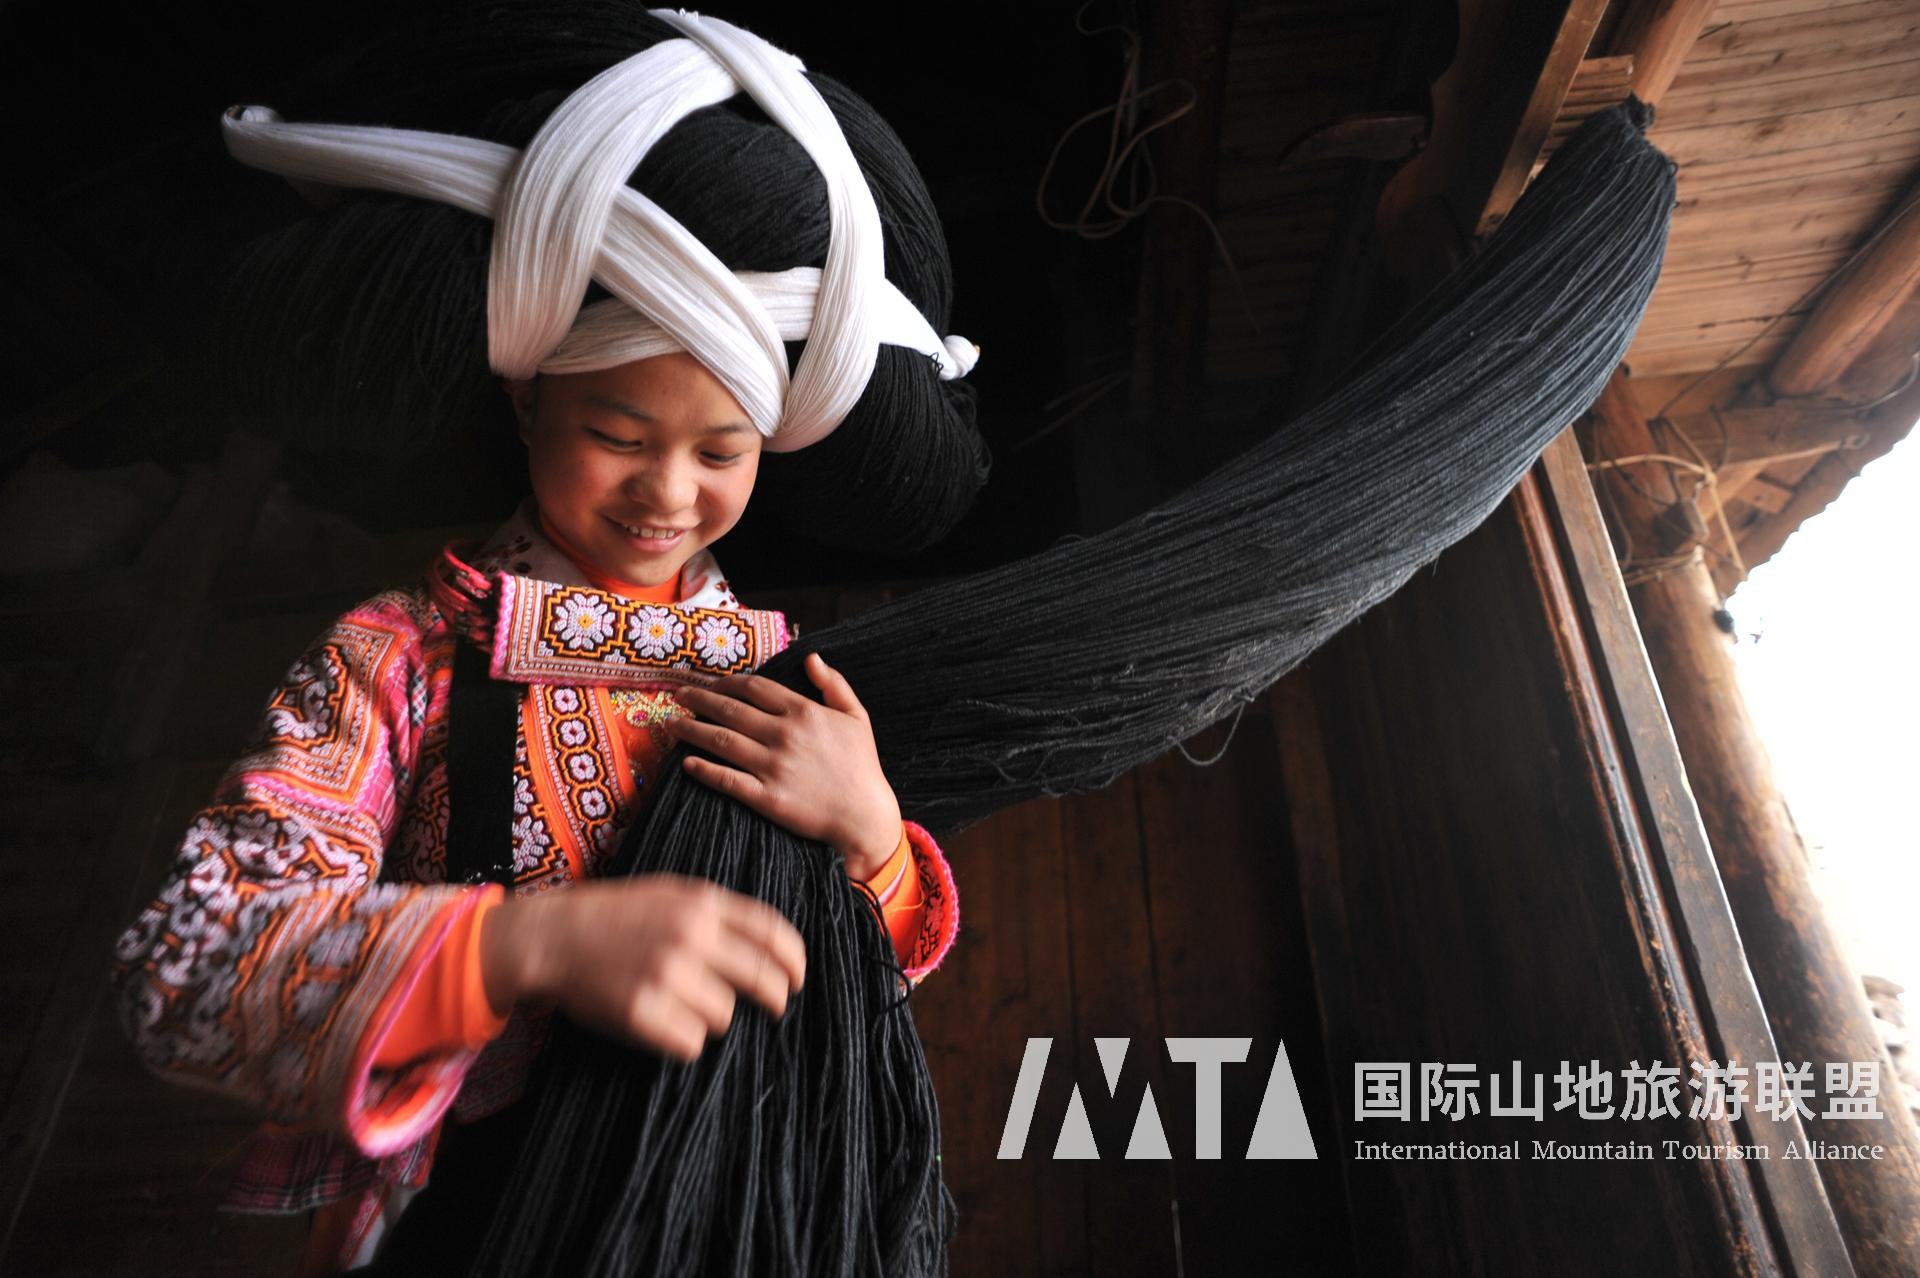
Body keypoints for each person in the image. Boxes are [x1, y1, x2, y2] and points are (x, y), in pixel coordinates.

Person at [110, 6, 983, 1271]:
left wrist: (873, 840)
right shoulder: (398, 659)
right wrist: (530, 947)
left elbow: (847, 998)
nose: (667, 494)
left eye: (721, 452)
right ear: (527, 403)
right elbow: (186, 972)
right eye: (618, 436)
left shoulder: (790, 683)